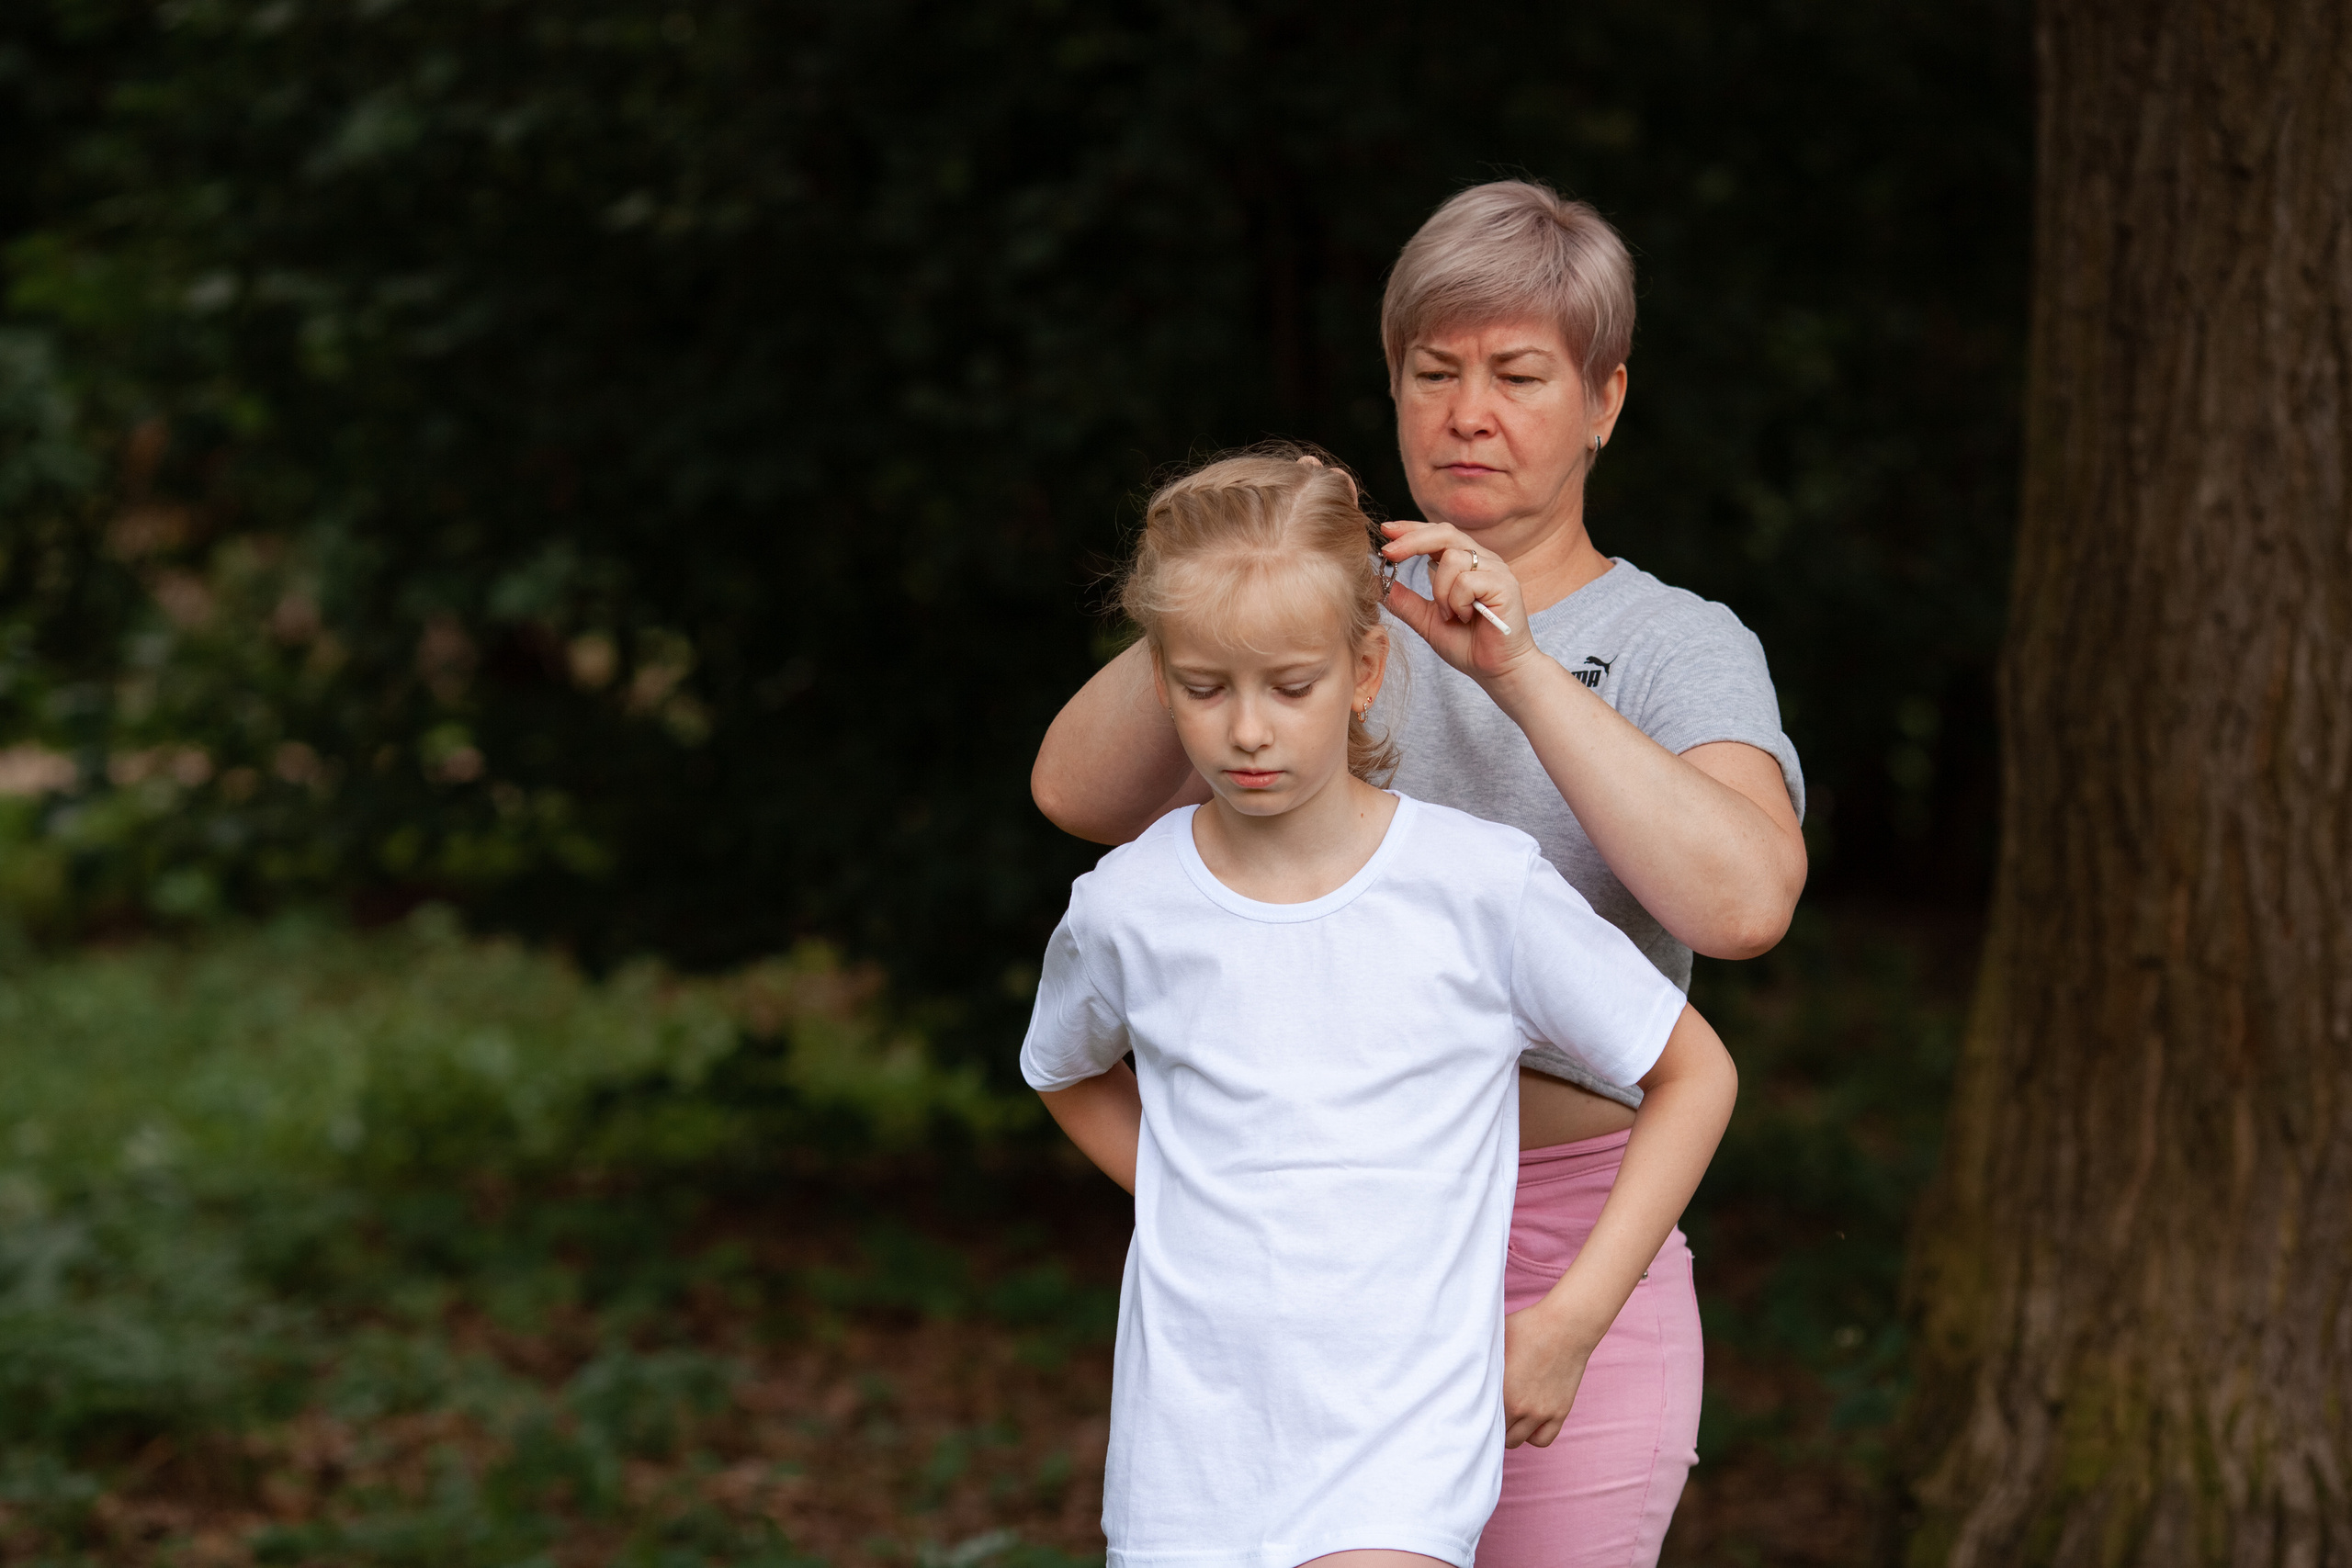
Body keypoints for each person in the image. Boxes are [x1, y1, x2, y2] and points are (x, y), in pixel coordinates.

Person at [1031, 183, 1807, 1564]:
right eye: (1432, 373)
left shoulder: (1674, 642)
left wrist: (1515, 666)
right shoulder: (1311, 621)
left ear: (1607, 399)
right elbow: (1074, 797)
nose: (1468, 412)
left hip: (1567, 1242)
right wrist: (1271, 565)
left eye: (1517, 376)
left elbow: (1742, 907)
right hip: (1311, 1262)